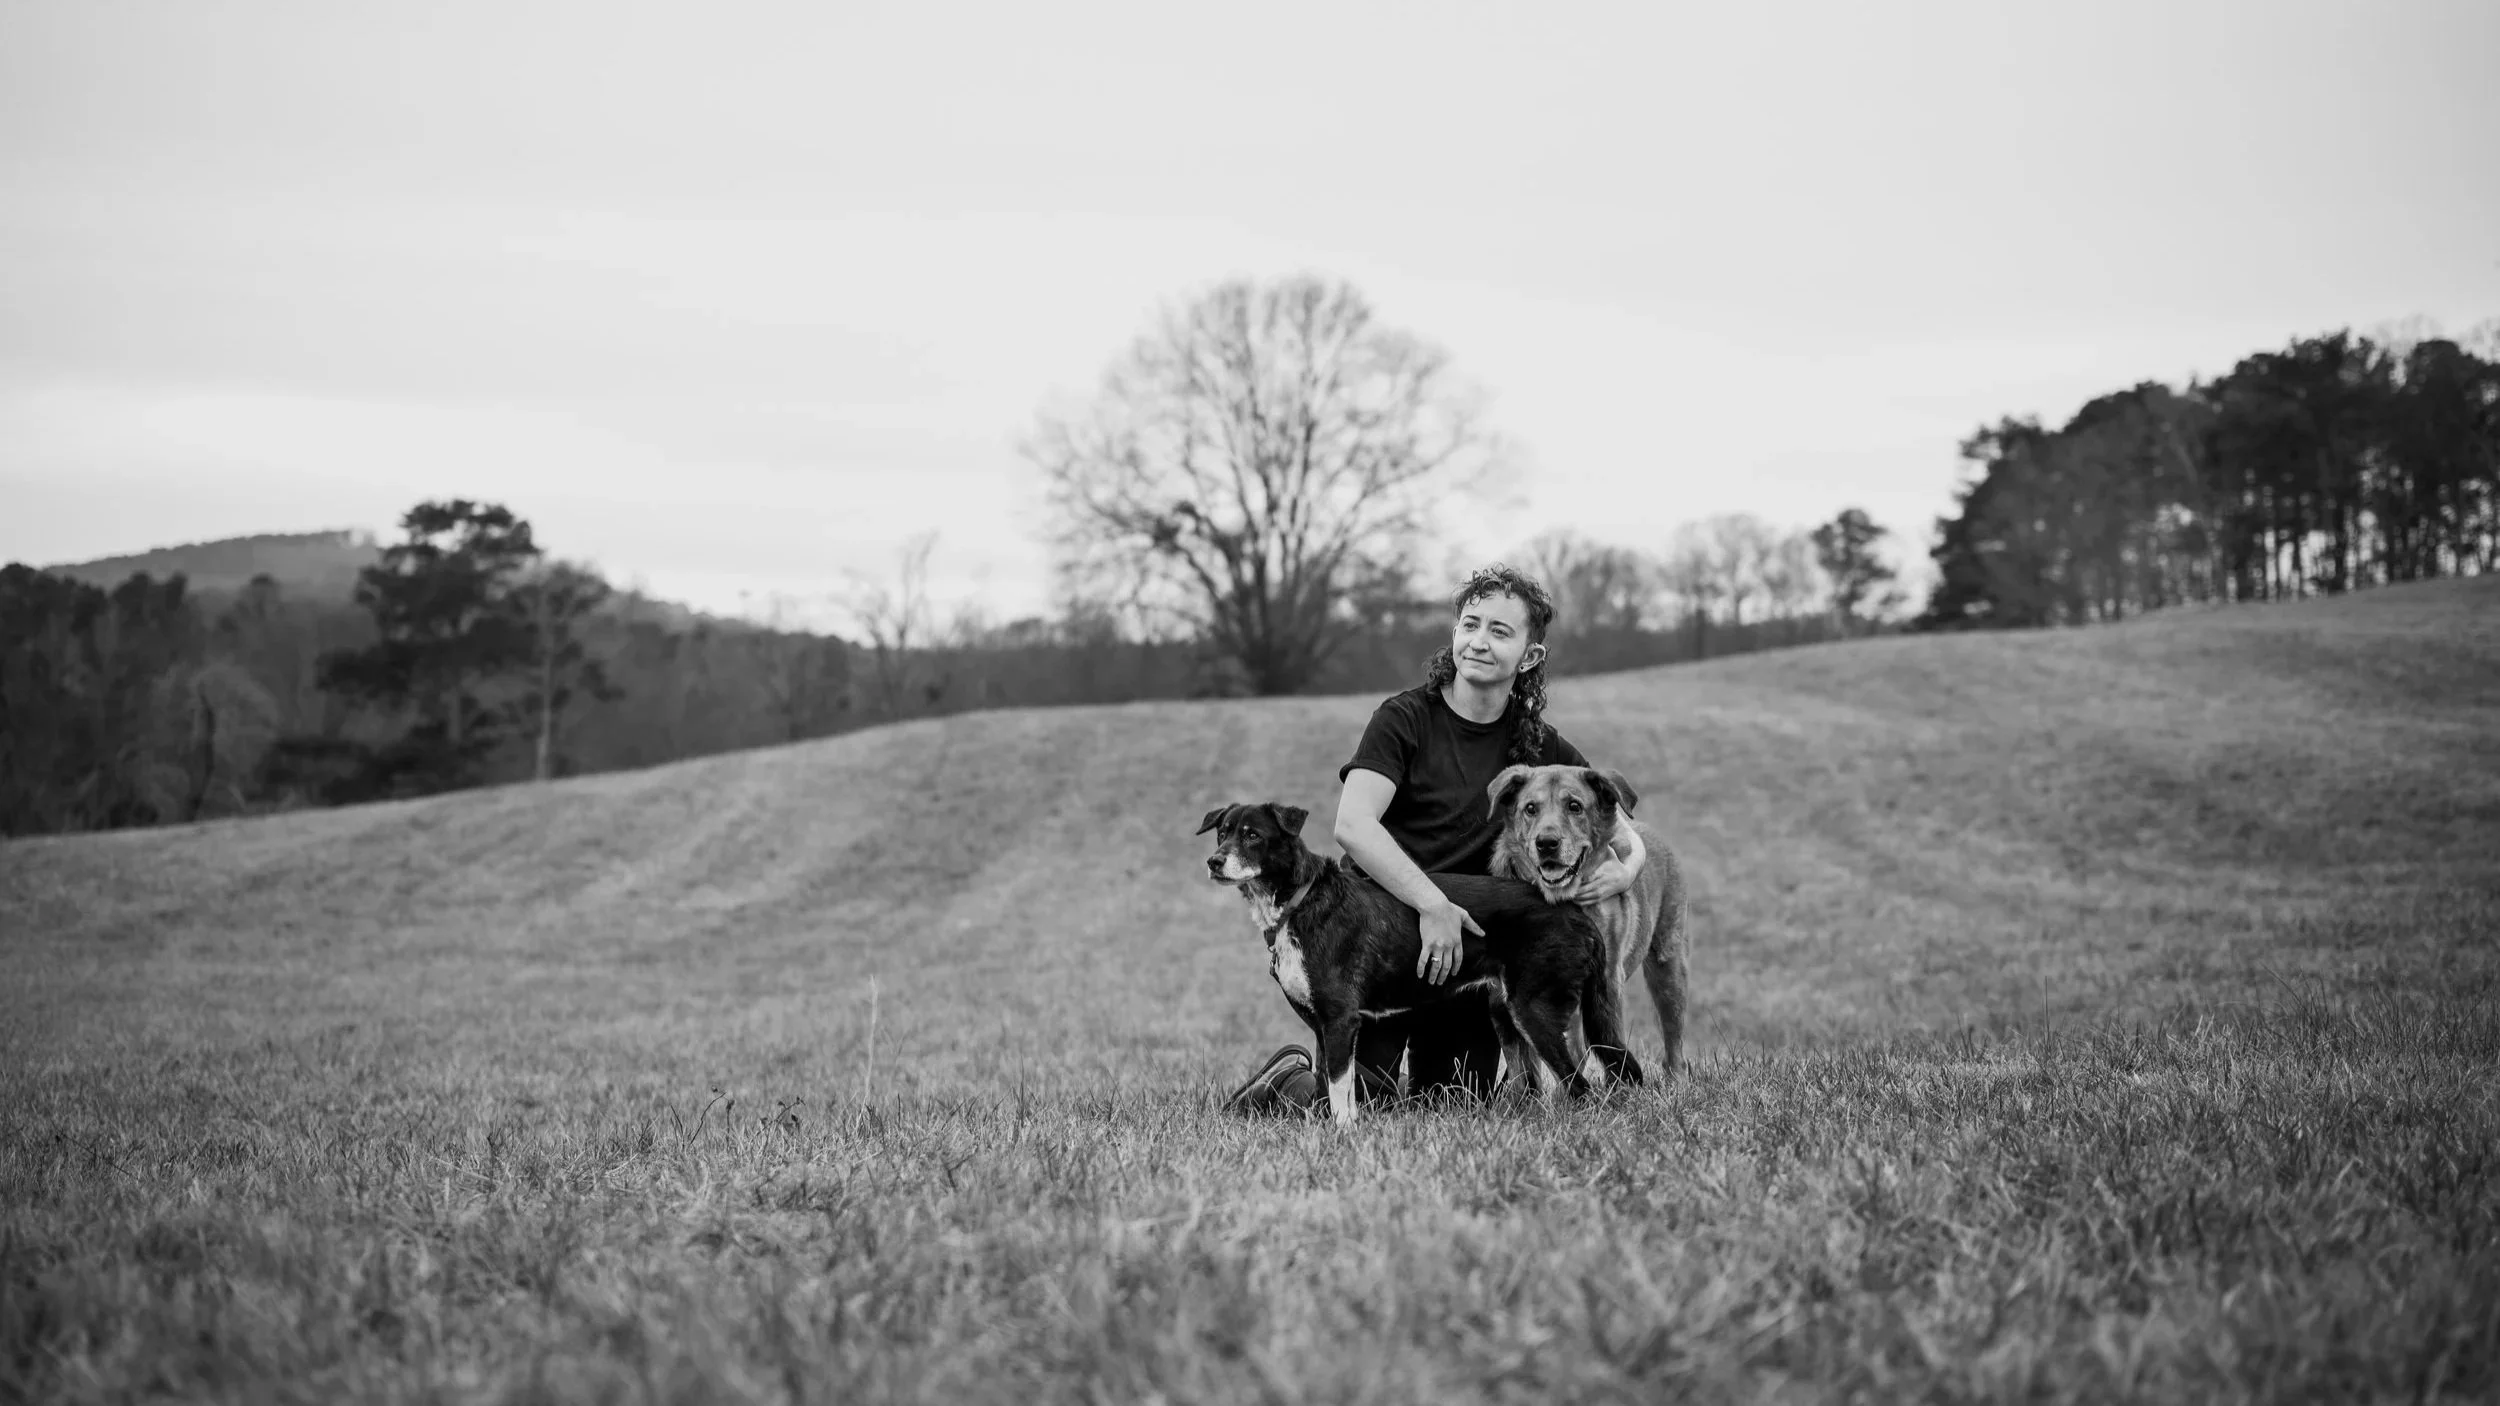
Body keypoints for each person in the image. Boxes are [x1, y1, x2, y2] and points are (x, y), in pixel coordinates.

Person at [1223, 564, 1647, 1114]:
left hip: (1469, 948)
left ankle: (1422, 1074)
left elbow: (1622, 830)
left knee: (1453, 1101)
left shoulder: (1540, 744)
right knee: (1363, 1101)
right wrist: (1431, 904)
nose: (1479, 641)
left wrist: (1626, 868)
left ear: (1529, 656)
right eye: (1470, 624)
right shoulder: (1403, 719)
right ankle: (1285, 1080)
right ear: (1454, 633)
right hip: (1375, 934)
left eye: (1500, 631)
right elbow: (1353, 825)